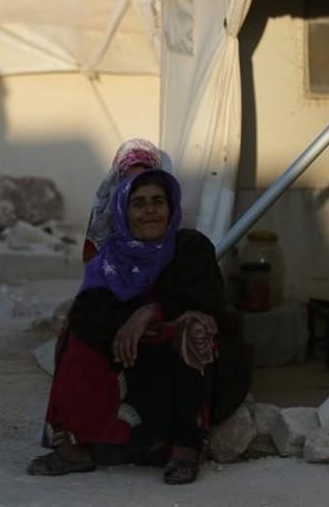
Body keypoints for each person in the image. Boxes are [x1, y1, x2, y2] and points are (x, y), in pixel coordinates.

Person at [29, 169, 250, 485]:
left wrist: (151, 311)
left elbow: (206, 294)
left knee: (195, 328)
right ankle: (73, 448)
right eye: (139, 203)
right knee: (74, 333)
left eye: (158, 202)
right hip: (131, 354)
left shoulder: (191, 246)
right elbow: (89, 308)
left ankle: (184, 448)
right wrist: (124, 325)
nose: (150, 210)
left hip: (176, 355)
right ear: (123, 211)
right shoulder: (110, 258)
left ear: (171, 209)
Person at [82, 138, 169, 263]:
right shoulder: (99, 236)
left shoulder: (163, 227)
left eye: (144, 182)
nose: (137, 190)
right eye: (129, 183)